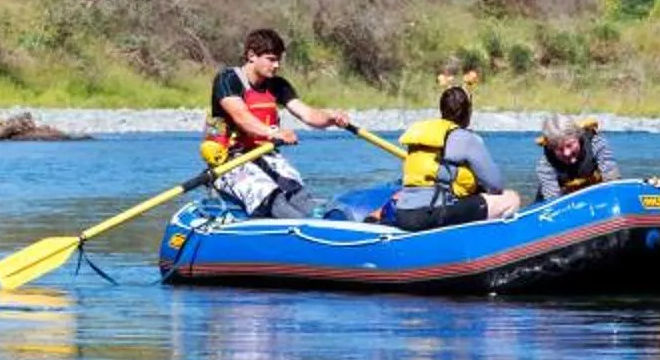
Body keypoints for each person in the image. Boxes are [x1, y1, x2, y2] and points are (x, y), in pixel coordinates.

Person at [204, 27, 353, 219]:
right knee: (272, 197)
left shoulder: (277, 84)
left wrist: (330, 117)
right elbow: (242, 117)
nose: (276, 65)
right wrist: (274, 133)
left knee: (296, 193)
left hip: (264, 155)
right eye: (271, 59)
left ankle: (327, 225)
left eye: (278, 60)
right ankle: (304, 228)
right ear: (251, 55)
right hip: (229, 161)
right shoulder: (227, 80)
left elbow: (308, 114)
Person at [381, 85, 519, 230]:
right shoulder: (466, 138)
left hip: (404, 213)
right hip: (432, 214)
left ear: (442, 110)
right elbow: (495, 186)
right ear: (468, 112)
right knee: (511, 198)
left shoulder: (425, 134)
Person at [534, 114, 619, 201]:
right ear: (551, 148)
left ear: (578, 136)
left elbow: (612, 183)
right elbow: (553, 203)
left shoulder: (597, 144)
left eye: (570, 145)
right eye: (559, 149)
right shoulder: (546, 166)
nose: (566, 153)